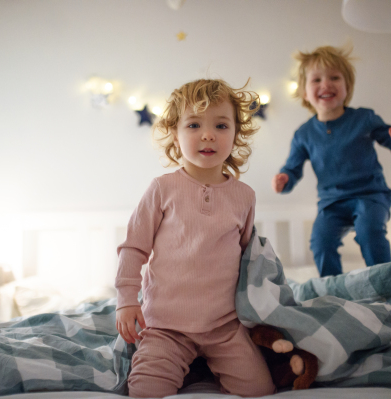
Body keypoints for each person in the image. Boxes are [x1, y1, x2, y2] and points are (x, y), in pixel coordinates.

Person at [115, 79, 276, 398]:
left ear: (235, 134)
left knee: (260, 390)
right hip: (165, 324)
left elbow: (246, 259)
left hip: (224, 326)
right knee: (145, 391)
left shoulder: (244, 197)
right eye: (193, 124)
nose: (208, 134)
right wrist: (127, 300)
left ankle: (204, 363)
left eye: (221, 124)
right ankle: (185, 362)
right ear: (175, 133)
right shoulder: (163, 189)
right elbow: (134, 247)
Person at [273, 45, 391, 277]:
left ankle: (385, 284)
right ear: (304, 92)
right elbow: (292, 168)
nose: (326, 84)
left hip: (370, 195)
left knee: (370, 230)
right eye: (316, 79)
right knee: (321, 241)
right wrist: (285, 179)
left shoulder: (364, 118)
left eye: (334, 77)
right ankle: (334, 291)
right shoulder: (304, 134)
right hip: (332, 203)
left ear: (347, 86)